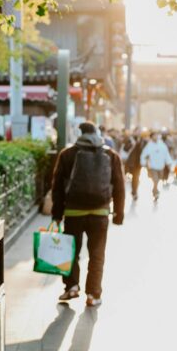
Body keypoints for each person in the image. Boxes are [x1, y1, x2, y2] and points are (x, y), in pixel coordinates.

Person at [51, 122, 125, 307]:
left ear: (80, 133)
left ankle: (71, 287)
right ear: (98, 133)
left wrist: (57, 215)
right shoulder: (111, 155)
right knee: (97, 255)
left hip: (74, 212)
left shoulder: (67, 154)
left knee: (70, 251)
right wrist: (118, 214)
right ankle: (93, 294)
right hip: (100, 213)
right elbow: (120, 186)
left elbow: (57, 187)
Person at [140, 131, 173, 201]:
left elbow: (166, 154)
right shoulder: (149, 146)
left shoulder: (162, 145)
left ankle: (155, 188)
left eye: (156, 135)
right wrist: (143, 162)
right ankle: (155, 192)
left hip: (161, 166)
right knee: (155, 179)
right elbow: (143, 154)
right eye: (154, 136)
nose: (155, 137)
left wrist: (169, 162)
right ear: (151, 137)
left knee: (159, 179)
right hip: (152, 166)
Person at [125, 130, 147, 201]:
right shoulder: (130, 140)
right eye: (136, 131)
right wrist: (131, 145)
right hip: (130, 162)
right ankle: (133, 191)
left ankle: (134, 191)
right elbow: (125, 149)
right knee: (131, 177)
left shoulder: (143, 141)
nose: (138, 133)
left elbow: (145, 150)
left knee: (136, 178)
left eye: (139, 132)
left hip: (138, 163)